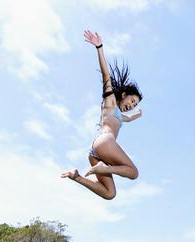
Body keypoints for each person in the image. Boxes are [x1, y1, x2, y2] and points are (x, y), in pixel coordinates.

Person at [61, 30, 144, 200]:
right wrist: (99, 47)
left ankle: (76, 176)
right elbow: (107, 75)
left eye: (135, 104)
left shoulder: (119, 115)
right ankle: (103, 168)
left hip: (95, 152)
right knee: (133, 173)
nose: (132, 105)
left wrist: (138, 114)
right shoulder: (110, 101)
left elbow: (127, 118)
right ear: (124, 95)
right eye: (132, 101)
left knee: (109, 194)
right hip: (105, 142)